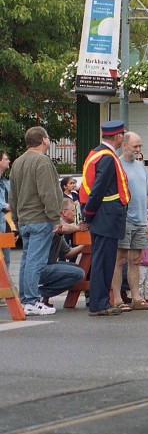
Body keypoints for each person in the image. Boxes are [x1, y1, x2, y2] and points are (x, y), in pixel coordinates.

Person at [10, 126, 63, 316]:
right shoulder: (42, 161)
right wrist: (55, 217)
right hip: (40, 218)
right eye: (48, 138)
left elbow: (13, 194)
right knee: (35, 261)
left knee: (26, 260)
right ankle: (32, 300)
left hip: (24, 219)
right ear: (43, 140)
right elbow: (47, 192)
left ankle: (25, 299)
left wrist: (16, 218)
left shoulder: (17, 162)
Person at [81, 119, 130, 316]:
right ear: (117, 137)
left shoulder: (97, 153)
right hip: (106, 216)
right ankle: (99, 304)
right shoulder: (108, 157)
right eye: (122, 136)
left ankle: (99, 301)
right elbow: (98, 189)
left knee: (103, 260)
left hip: (102, 215)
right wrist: (88, 215)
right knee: (104, 260)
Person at [112, 132, 148, 311]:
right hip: (124, 220)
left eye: (140, 146)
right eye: (135, 146)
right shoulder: (117, 165)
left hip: (140, 220)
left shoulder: (141, 167)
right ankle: (117, 298)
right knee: (120, 259)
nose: (138, 150)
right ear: (124, 146)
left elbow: (146, 194)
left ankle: (136, 297)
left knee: (136, 259)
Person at [37, 196, 87, 307]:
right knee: (78, 274)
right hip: (42, 267)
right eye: (73, 211)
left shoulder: (60, 230)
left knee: (78, 269)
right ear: (64, 212)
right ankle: (39, 294)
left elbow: (68, 253)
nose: (74, 214)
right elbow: (62, 228)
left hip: (47, 265)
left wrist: (84, 245)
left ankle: (43, 298)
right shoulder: (57, 222)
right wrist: (79, 228)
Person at [1, 150, 11, 271]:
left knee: (6, 261)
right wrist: (5, 205)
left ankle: (4, 289)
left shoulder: (5, 181)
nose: (9, 160)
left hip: (7, 226)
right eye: (5, 158)